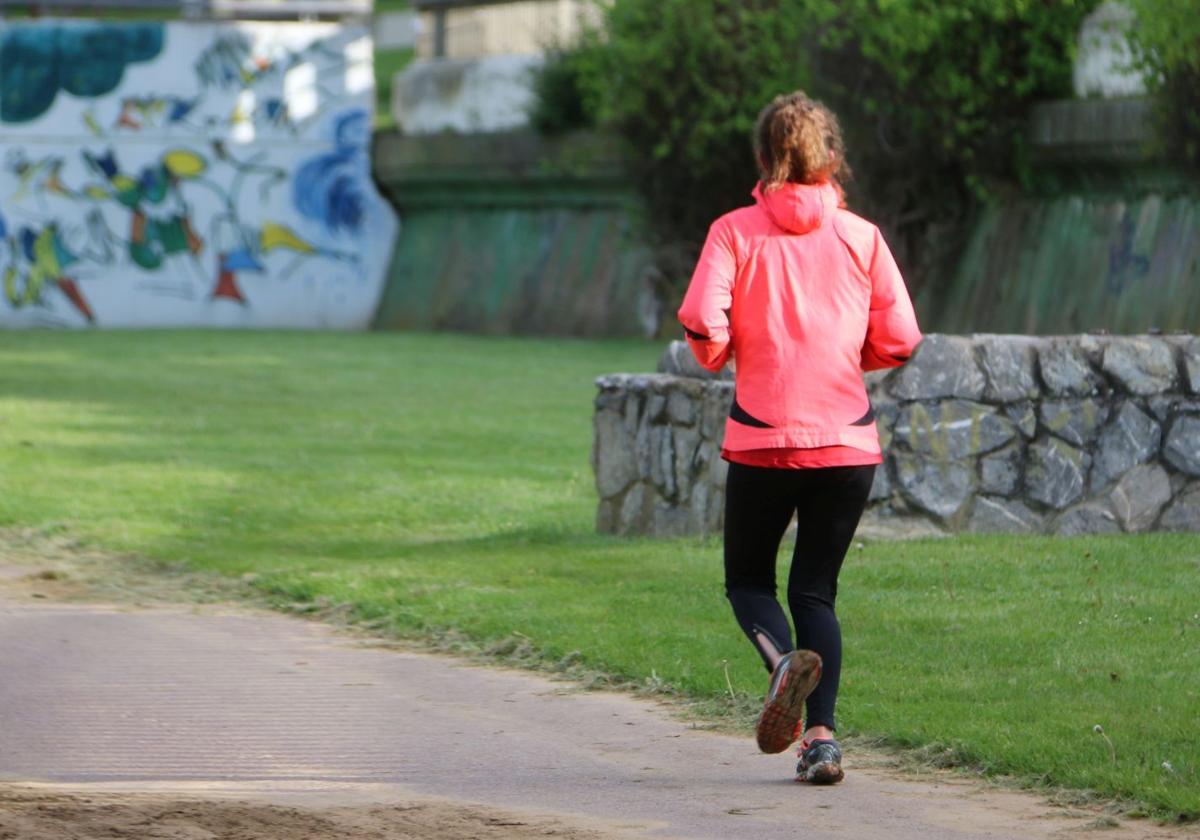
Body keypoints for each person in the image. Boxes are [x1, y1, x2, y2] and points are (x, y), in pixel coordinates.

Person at [677, 91, 921, 784]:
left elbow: (702, 317)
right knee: (816, 591)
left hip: (763, 439)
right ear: (833, 158)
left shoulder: (733, 231)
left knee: (748, 580)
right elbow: (901, 338)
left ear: (761, 159)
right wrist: (852, 360)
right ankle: (822, 743)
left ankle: (783, 662)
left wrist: (720, 352)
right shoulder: (862, 236)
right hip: (848, 443)